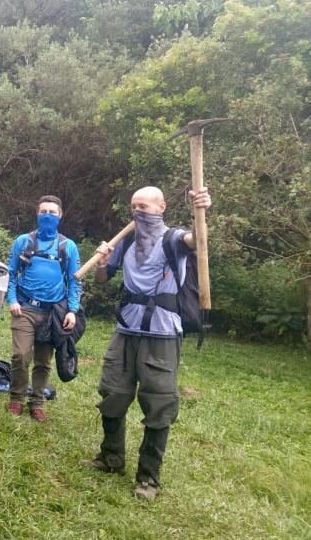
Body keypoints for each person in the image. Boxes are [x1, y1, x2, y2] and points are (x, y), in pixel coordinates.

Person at [82, 186, 212, 501]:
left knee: (159, 402)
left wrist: (200, 212)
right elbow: (102, 279)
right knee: (112, 391)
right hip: (125, 329)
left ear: (161, 207)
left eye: (144, 206)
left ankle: (148, 478)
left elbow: (197, 242)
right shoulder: (126, 239)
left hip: (162, 333)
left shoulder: (174, 238)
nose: (138, 211)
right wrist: (102, 262)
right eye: (133, 206)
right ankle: (111, 458)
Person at [5, 196, 81, 421]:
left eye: (52, 212)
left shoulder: (68, 246)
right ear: (37, 214)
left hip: (52, 314)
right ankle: (16, 398)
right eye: (43, 211)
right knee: (20, 356)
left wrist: (72, 310)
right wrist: (12, 299)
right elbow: (10, 272)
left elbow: (75, 280)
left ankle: (37, 402)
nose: (47, 215)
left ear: (60, 215)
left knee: (43, 361)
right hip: (25, 308)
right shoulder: (23, 242)